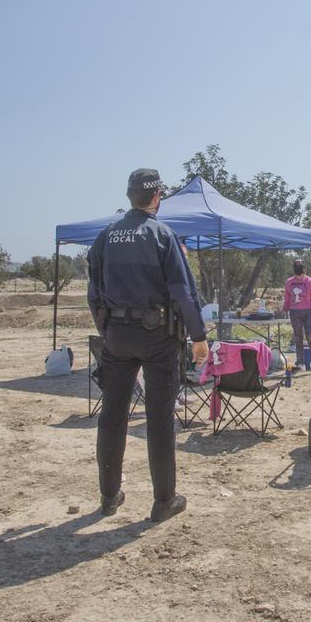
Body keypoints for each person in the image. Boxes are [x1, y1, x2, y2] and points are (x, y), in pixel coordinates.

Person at [87, 168, 208, 522]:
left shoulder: (105, 236)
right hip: (158, 337)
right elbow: (184, 292)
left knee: (112, 414)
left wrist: (106, 326)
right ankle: (164, 501)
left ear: (129, 196)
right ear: (157, 197)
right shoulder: (162, 235)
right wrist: (198, 336)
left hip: (117, 336)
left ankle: (109, 497)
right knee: (158, 417)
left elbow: (93, 290)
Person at [282, 259, 311, 357]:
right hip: (295, 312)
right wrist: (284, 309)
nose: (299, 276)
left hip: (308, 312)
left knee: (310, 338)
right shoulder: (289, 282)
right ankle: (300, 362)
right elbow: (287, 298)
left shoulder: (310, 282)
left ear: (304, 270)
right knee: (298, 338)